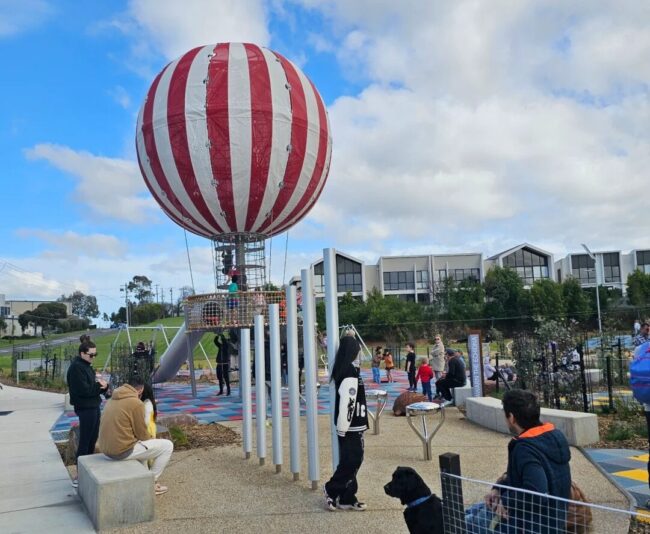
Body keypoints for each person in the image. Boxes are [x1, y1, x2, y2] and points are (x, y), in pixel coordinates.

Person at [466, 389, 572, 533]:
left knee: (464, 521)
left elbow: (536, 491)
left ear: (511, 417)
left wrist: (507, 500)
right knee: (474, 510)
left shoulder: (526, 449)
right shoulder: (553, 436)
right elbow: (525, 477)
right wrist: (499, 488)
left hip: (528, 525)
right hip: (552, 521)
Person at [98, 374, 174, 496]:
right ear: (141, 389)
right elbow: (142, 434)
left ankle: (144, 477)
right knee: (167, 446)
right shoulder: (136, 403)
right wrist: (151, 440)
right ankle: (150, 483)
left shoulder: (113, 398)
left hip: (106, 449)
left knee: (143, 447)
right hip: (120, 452)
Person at [324, 335, 368, 511]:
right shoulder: (349, 372)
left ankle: (348, 496)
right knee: (351, 460)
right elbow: (347, 403)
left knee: (353, 461)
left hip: (355, 423)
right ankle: (331, 488)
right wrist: (343, 427)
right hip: (351, 425)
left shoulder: (350, 370)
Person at [66, 341, 109, 488]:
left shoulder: (85, 366)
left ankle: (87, 469)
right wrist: (99, 386)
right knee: (85, 441)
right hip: (85, 408)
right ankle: (80, 475)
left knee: (92, 439)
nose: (93, 357)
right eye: (91, 355)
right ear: (82, 353)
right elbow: (84, 391)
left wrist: (103, 387)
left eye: (95, 354)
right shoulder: (77, 368)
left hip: (93, 406)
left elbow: (91, 389)